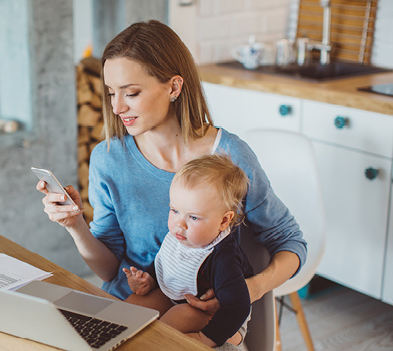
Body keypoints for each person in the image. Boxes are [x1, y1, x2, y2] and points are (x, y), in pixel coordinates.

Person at [37, 19, 306, 345]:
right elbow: (109, 272)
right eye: (110, 93)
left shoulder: (231, 156)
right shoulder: (108, 158)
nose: (117, 107)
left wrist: (252, 288)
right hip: (135, 303)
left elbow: (290, 241)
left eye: (131, 93)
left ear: (174, 87)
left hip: (207, 318)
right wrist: (74, 224)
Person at [123, 154, 253, 349]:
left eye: (193, 217)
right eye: (175, 210)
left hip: (225, 321)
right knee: (133, 306)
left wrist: (205, 338)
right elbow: (170, 264)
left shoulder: (223, 257)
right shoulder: (182, 237)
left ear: (224, 221)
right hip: (181, 299)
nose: (179, 223)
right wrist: (148, 281)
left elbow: (238, 307)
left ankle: (148, 346)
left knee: (178, 317)